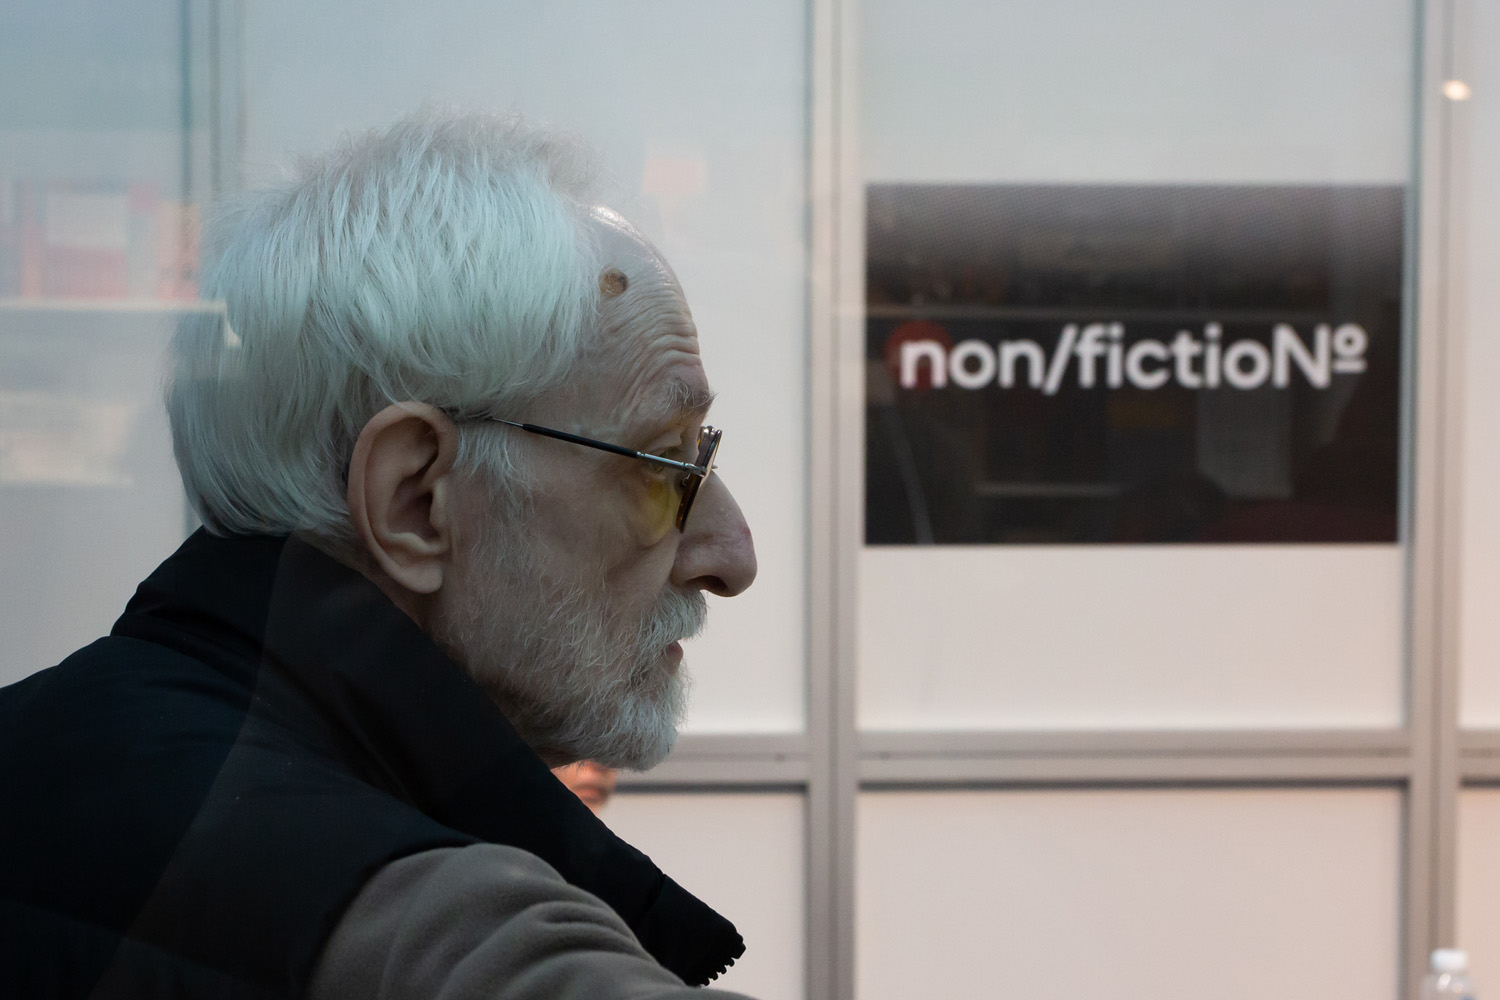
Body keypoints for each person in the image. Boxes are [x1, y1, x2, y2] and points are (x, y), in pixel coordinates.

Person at [0, 110, 759, 999]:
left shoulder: (41, 741)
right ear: (414, 501)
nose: (731, 554)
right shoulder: (438, 927)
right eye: (666, 463)